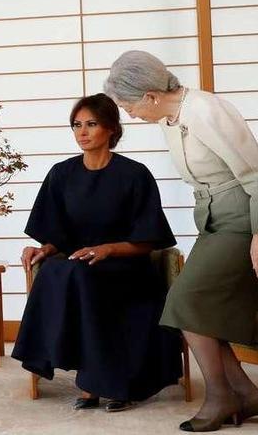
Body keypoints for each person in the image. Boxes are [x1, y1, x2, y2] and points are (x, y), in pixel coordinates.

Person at [105, 50, 258, 432]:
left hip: (244, 216)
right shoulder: (172, 117)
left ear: (151, 95)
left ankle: (221, 397)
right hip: (214, 219)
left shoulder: (204, 110)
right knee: (199, 311)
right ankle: (248, 395)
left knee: (185, 301)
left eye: (128, 105)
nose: (129, 115)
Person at [12, 93, 180, 413]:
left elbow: (149, 240)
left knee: (81, 277)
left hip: (127, 266)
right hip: (81, 265)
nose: (82, 132)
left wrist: (107, 249)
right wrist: (43, 248)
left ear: (111, 129)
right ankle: (91, 380)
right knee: (54, 270)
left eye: (91, 124)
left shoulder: (135, 174)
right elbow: (58, 236)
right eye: (77, 125)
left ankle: (106, 384)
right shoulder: (61, 174)